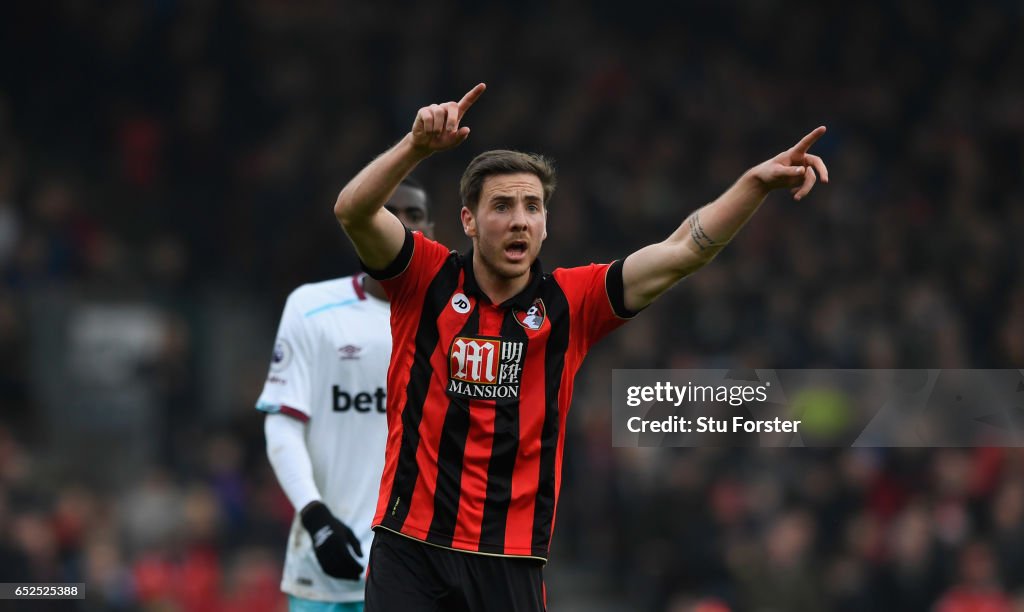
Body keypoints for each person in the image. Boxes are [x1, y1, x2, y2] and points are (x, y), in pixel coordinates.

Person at [332, 83, 828, 611]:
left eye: (533, 206)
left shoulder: (573, 302)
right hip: (410, 550)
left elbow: (683, 250)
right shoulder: (424, 277)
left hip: (512, 562)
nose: (520, 218)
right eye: (502, 205)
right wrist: (414, 147)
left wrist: (752, 183)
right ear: (469, 221)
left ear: (545, 226)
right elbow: (353, 211)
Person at [257, 178, 434, 612]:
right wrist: (315, 517)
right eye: (390, 212)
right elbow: (282, 422)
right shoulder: (311, 307)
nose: (404, 225)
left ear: (432, 231)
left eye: (415, 215)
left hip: (421, 572)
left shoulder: (457, 320)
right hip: (326, 566)